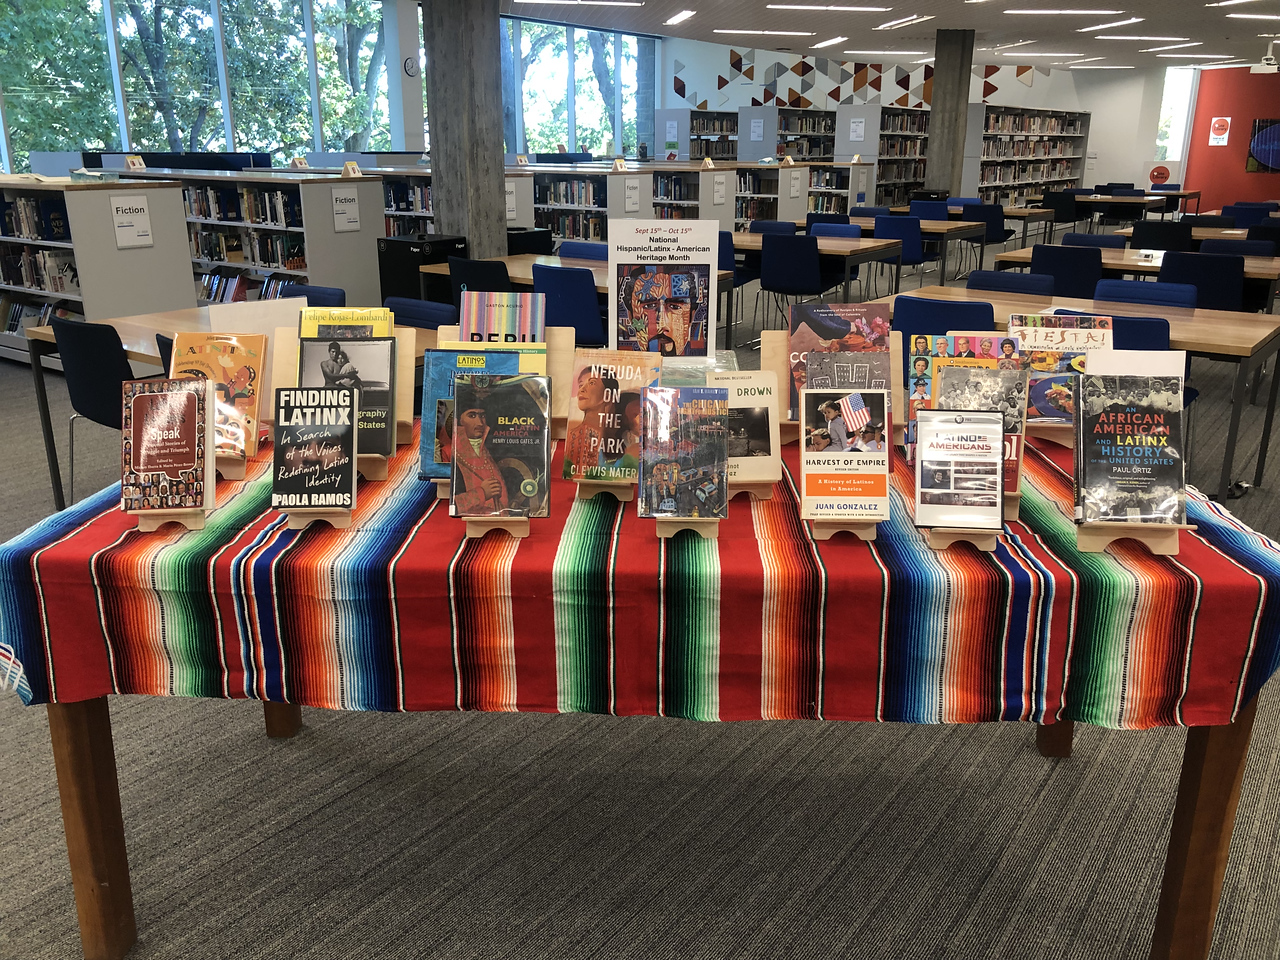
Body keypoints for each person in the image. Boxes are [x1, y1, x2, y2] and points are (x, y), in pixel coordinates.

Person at [452, 402, 510, 515]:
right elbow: (449, 505)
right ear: (459, 420)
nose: (480, 423)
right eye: (472, 416)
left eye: (482, 416)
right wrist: (482, 493)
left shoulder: (491, 449)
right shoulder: (447, 452)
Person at [564, 366, 620, 478]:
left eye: (591, 383)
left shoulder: (619, 440)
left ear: (607, 395)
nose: (582, 389)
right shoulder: (571, 436)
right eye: (580, 385)